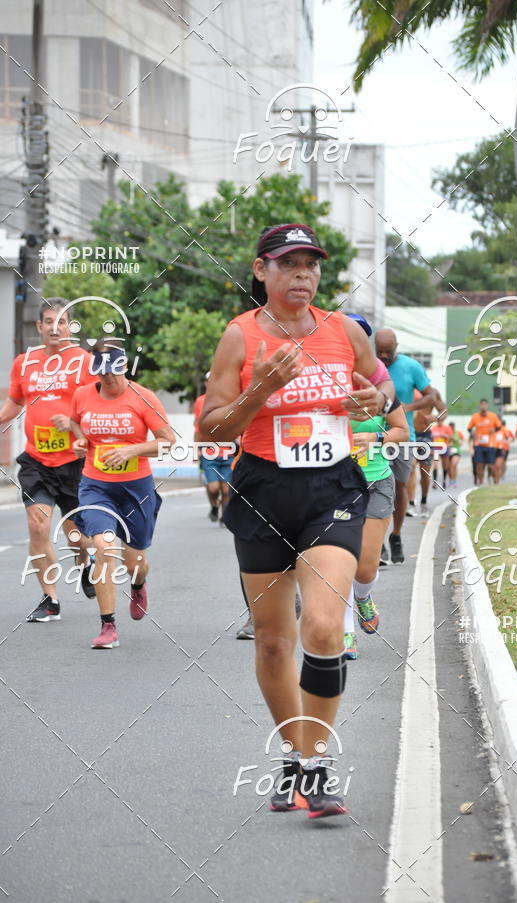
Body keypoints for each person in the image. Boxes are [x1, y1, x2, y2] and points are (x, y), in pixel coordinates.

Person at [199, 223, 393, 818]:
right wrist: (260, 389)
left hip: (331, 488)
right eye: (288, 263)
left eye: (310, 264)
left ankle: (316, 765)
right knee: (274, 641)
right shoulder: (240, 337)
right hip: (261, 490)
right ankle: (293, 753)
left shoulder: (344, 332)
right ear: (262, 271)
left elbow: (381, 390)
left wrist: (376, 404)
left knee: (325, 629)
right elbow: (210, 428)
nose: (302, 274)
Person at [70, 341, 176, 649]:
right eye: (102, 374)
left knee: (135, 561)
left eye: (114, 373)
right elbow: (77, 422)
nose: (108, 380)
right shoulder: (83, 395)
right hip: (96, 485)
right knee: (103, 547)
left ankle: (139, 583)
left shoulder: (143, 397)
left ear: (125, 367)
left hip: (135, 489)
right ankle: (108, 626)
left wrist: (133, 449)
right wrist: (80, 442)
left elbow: (168, 440)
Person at [0, 299, 96, 622]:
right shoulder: (24, 363)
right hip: (36, 461)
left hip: (74, 461)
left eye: (63, 322)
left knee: (76, 536)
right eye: (49, 322)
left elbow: (95, 409)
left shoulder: (83, 362)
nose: (56, 328)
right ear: (39, 327)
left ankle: (86, 563)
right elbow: (14, 404)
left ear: (71, 327)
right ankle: (50, 599)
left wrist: (72, 423)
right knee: (37, 524)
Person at [344, 318, 409, 660]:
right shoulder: (321, 382)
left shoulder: (381, 386)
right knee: (337, 563)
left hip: (375, 480)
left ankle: (363, 596)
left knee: (365, 567)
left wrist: (377, 437)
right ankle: (344, 632)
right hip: (333, 484)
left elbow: (402, 430)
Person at [374, 329, 437, 562]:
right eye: (379, 351)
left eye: (387, 352)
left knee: (400, 488)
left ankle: (396, 535)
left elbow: (431, 396)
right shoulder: (366, 365)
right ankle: (377, 543)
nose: (383, 356)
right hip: (372, 438)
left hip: (402, 436)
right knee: (372, 488)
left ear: (396, 347)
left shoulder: (410, 367)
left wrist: (404, 408)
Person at [193, 384, 237, 523]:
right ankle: (214, 505)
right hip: (209, 453)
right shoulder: (201, 401)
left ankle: (224, 517)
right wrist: (196, 451)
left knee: (225, 490)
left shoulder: (231, 399)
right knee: (213, 488)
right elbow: (198, 430)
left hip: (228, 454)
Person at [409, 386, 447, 515]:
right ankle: (411, 503)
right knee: (410, 466)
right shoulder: (406, 390)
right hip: (409, 434)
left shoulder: (432, 393)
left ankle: (424, 502)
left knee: (425, 472)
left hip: (425, 436)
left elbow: (444, 411)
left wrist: (436, 418)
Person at [467, 399, 502, 487]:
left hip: (490, 444)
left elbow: (499, 427)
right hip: (478, 444)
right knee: (479, 464)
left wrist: (494, 430)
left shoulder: (493, 416)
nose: (483, 406)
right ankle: (480, 483)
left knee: (491, 465)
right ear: (480, 406)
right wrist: (472, 434)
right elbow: (469, 428)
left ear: (487, 406)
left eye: (485, 405)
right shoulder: (475, 417)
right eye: (482, 404)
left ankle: (495, 482)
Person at [430, 420, 454, 489]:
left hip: (444, 447)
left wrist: (445, 435)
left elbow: (451, 438)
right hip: (436, 448)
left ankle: (444, 480)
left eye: (440, 420)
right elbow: (430, 438)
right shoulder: (433, 428)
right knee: (435, 466)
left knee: (445, 466)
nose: (439, 422)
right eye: (438, 420)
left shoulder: (447, 428)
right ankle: (434, 482)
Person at [445, 422, 464, 489]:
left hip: (456, 451)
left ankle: (454, 481)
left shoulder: (458, 433)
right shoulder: (446, 433)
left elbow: (461, 442)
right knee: (448, 467)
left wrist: (455, 440)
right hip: (448, 451)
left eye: (452, 427)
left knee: (453, 465)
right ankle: (451, 480)